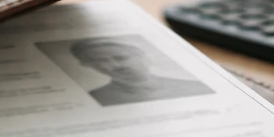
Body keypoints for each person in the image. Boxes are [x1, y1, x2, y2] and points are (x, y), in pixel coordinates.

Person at [69, 38, 212, 106]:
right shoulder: (96, 97)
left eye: (121, 57)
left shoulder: (195, 85)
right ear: (88, 65)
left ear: (141, 55)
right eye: (100, 61)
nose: (115, 65)